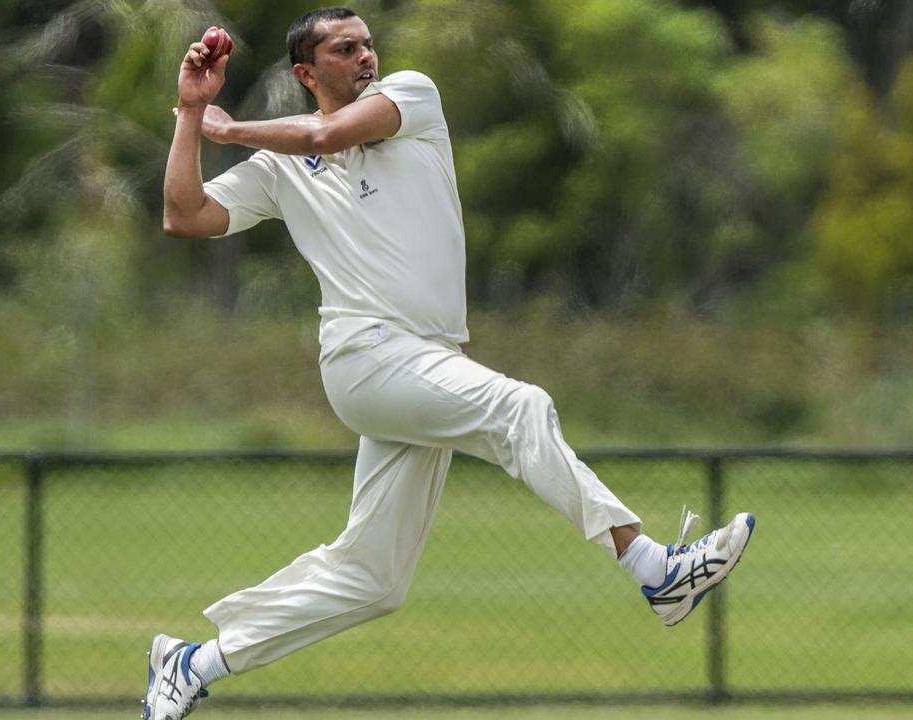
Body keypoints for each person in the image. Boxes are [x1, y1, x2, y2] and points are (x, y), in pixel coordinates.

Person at [144, 8, 756, 720]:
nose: (366, 57)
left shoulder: (412, 96)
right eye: (346, 50)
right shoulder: (284, 169)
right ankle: (655, 569)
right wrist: (192, 113)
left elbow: (324, 133)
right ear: (307, 73)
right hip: (366, 358)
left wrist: (232, 127)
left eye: (368, 43)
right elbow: (184, 215)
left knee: (375, 580)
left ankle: (195, 662)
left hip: (425, 360)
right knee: (519, 408)